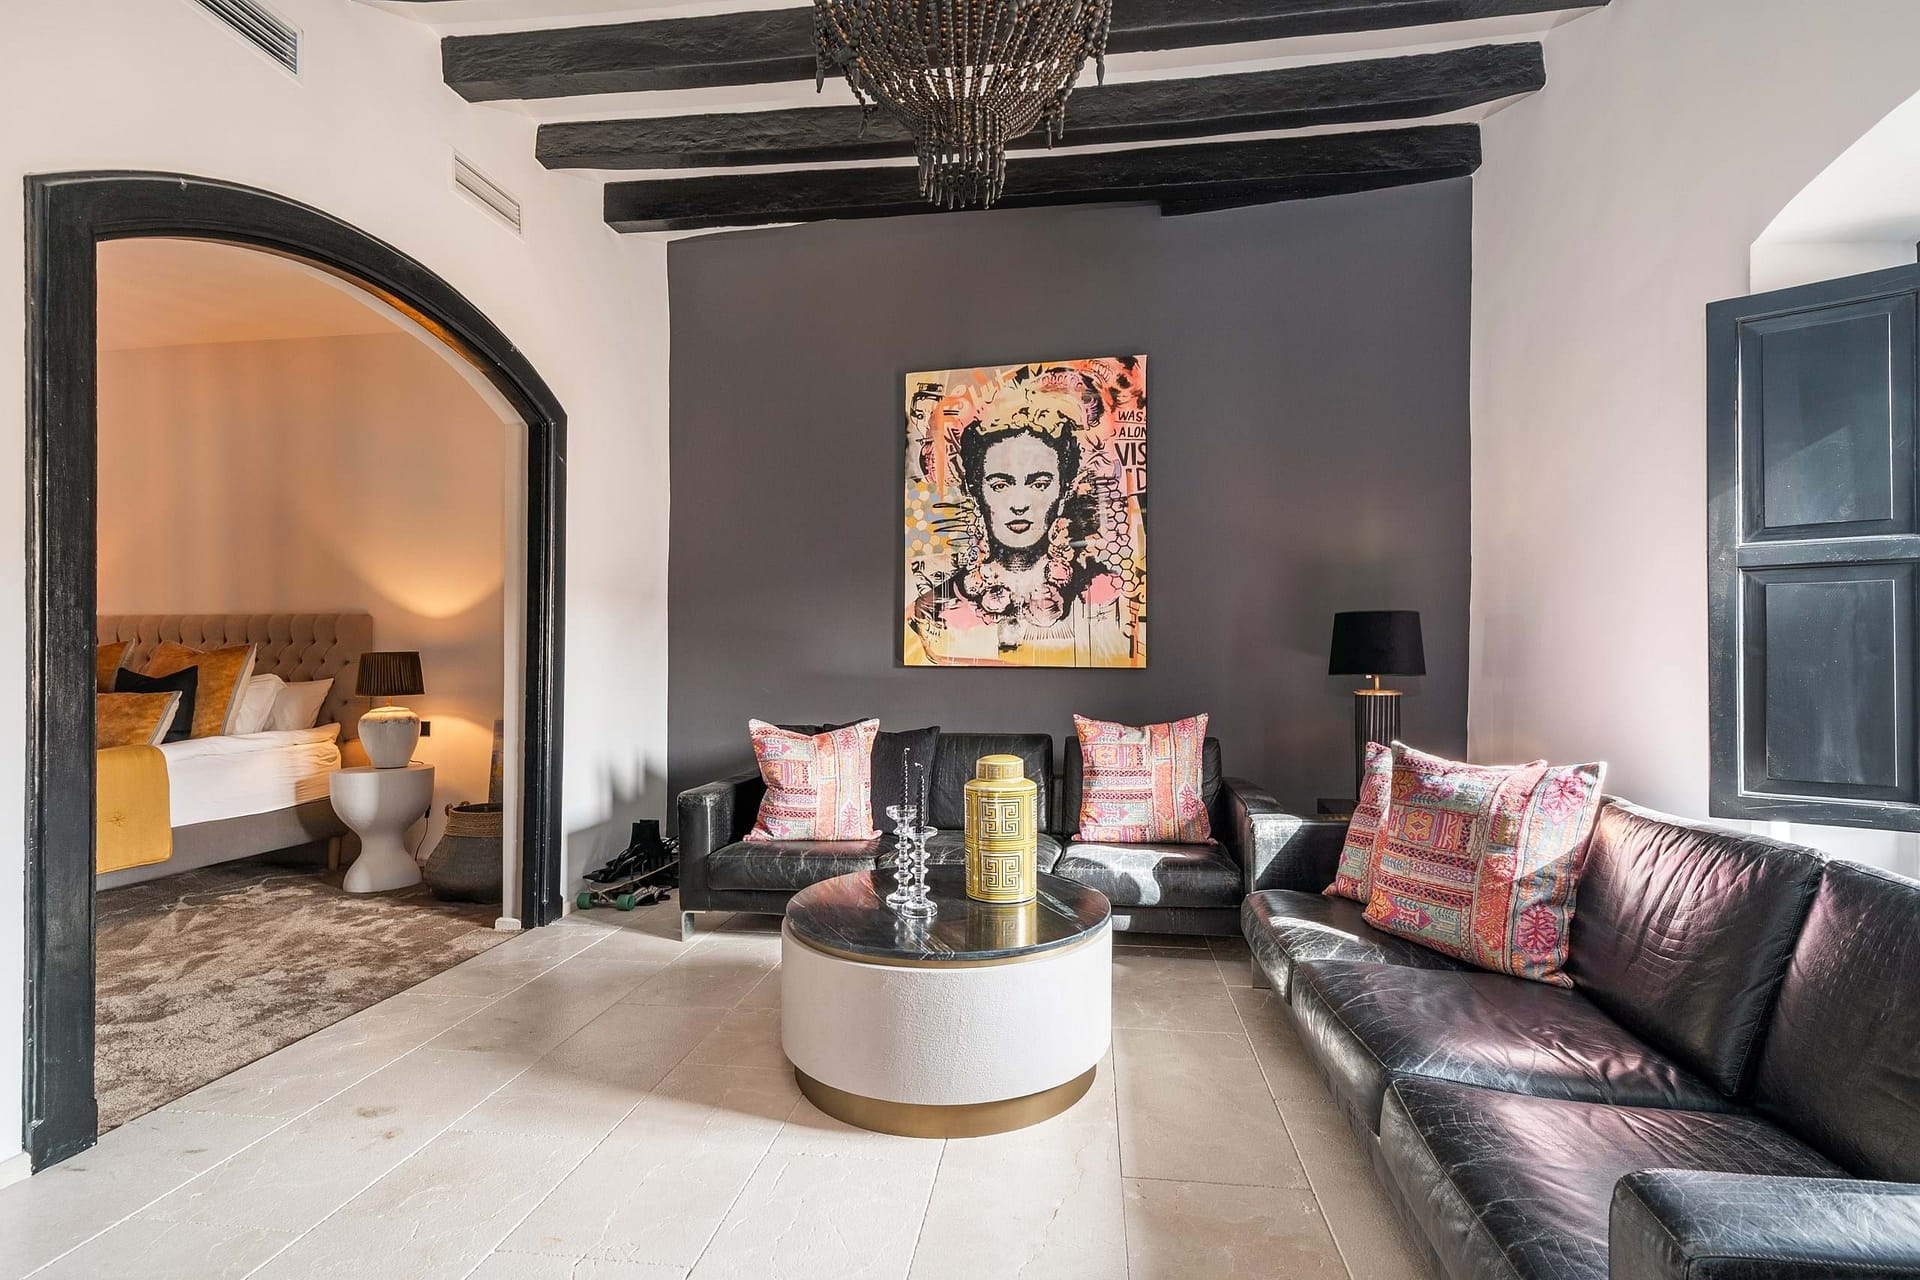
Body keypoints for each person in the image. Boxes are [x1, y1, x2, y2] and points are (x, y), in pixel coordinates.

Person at [911, 365, 1133, 664]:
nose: (1019, 504)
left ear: (1063, 491)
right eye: (1000, 485)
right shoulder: (942, 598)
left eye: (1039, 484)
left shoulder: (1099, 588)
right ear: (977, 490)